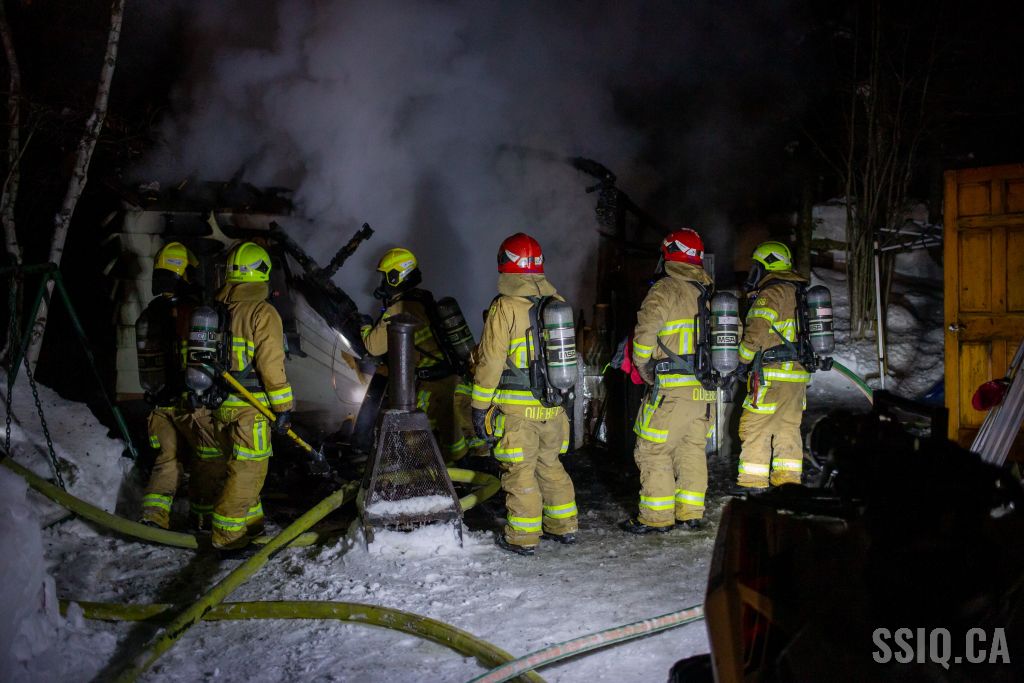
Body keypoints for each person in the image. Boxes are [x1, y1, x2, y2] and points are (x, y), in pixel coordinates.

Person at [471, 233, 578, 556]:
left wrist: (479, 406)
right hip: (553, 408)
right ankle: (564, 526)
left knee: (520, 475)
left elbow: (490, 361)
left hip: (518, 413)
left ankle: (523, 537)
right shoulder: (556, 302)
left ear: (505, 264)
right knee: (551, 466)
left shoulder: (505, 306)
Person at [620, 228, 716, 534]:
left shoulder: (666, 289)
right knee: (692, 449)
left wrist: (642, 365)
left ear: (669, 255)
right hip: (704, 392)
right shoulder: (709, 293)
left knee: (653, 450)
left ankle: (656, 517)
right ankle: (690, 513)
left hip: (671, 391)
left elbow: (645, 332)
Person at [209, 241, 293, 550]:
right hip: (251, 407)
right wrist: (283, 408)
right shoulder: (262, 311)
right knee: (250, 471)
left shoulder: (217, 309)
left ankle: (252, 526)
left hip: (220, 404)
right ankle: (227, 537)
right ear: (263, 272)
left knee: (238, 467)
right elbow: (271, 365)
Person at [138, 242, 223, 530]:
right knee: (209, 455)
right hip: (190, 403)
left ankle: (153, 516)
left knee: (168, 459)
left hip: (159, 403)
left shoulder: (150, 313)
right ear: (188, 275)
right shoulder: (195, 314)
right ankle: (202, 517)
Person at [362, 247, 463, 461]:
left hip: (430, 384)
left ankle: (425, 474)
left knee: (412, 435)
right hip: (450, 378)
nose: (383, 282)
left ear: (395, 276)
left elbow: (373, 347)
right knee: (452, 436)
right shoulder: (423, 298)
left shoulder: (399, 307)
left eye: (385, 276)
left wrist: (364, 327)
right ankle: (456, 470)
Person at [735, 240, 809, 490]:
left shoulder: (772, 293)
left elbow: (756, 334)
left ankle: (753, 484)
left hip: (772, 376)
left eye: (756, 266)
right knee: (788, 430)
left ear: (766, 266)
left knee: (755, 428)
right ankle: (788, 487)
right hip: (797, 378)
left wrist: (741, 360)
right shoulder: (800, 291)